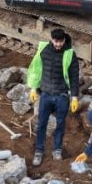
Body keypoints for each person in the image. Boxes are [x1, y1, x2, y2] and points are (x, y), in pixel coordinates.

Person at [27, 28, 80, 166]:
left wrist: (74, 96)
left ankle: (57, 149)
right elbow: (36, 70)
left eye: (60, 41)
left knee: (60, 124)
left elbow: (74, 76)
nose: (58, 45)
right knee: (42, 124)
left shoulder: (69, 54)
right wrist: (33, 88)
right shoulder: (43, 50)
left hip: (62, 95)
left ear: (64, 39)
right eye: (56, 41)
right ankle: (39, 151)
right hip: (45, 94)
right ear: (51, 39)